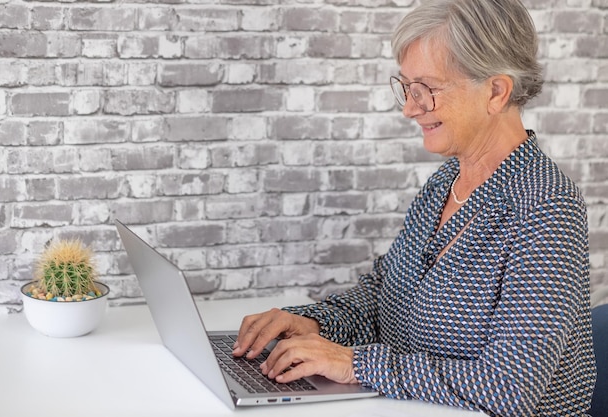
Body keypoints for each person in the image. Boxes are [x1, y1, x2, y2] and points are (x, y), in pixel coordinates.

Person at [232, 0, 597, 415]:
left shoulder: (547, 205)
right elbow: (387, 293)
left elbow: (510, 387)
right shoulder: (445, 183)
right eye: (406, 86)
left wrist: (355, 364)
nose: (409, 107)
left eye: (428, 89)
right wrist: (312, 322)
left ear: (496, 91)